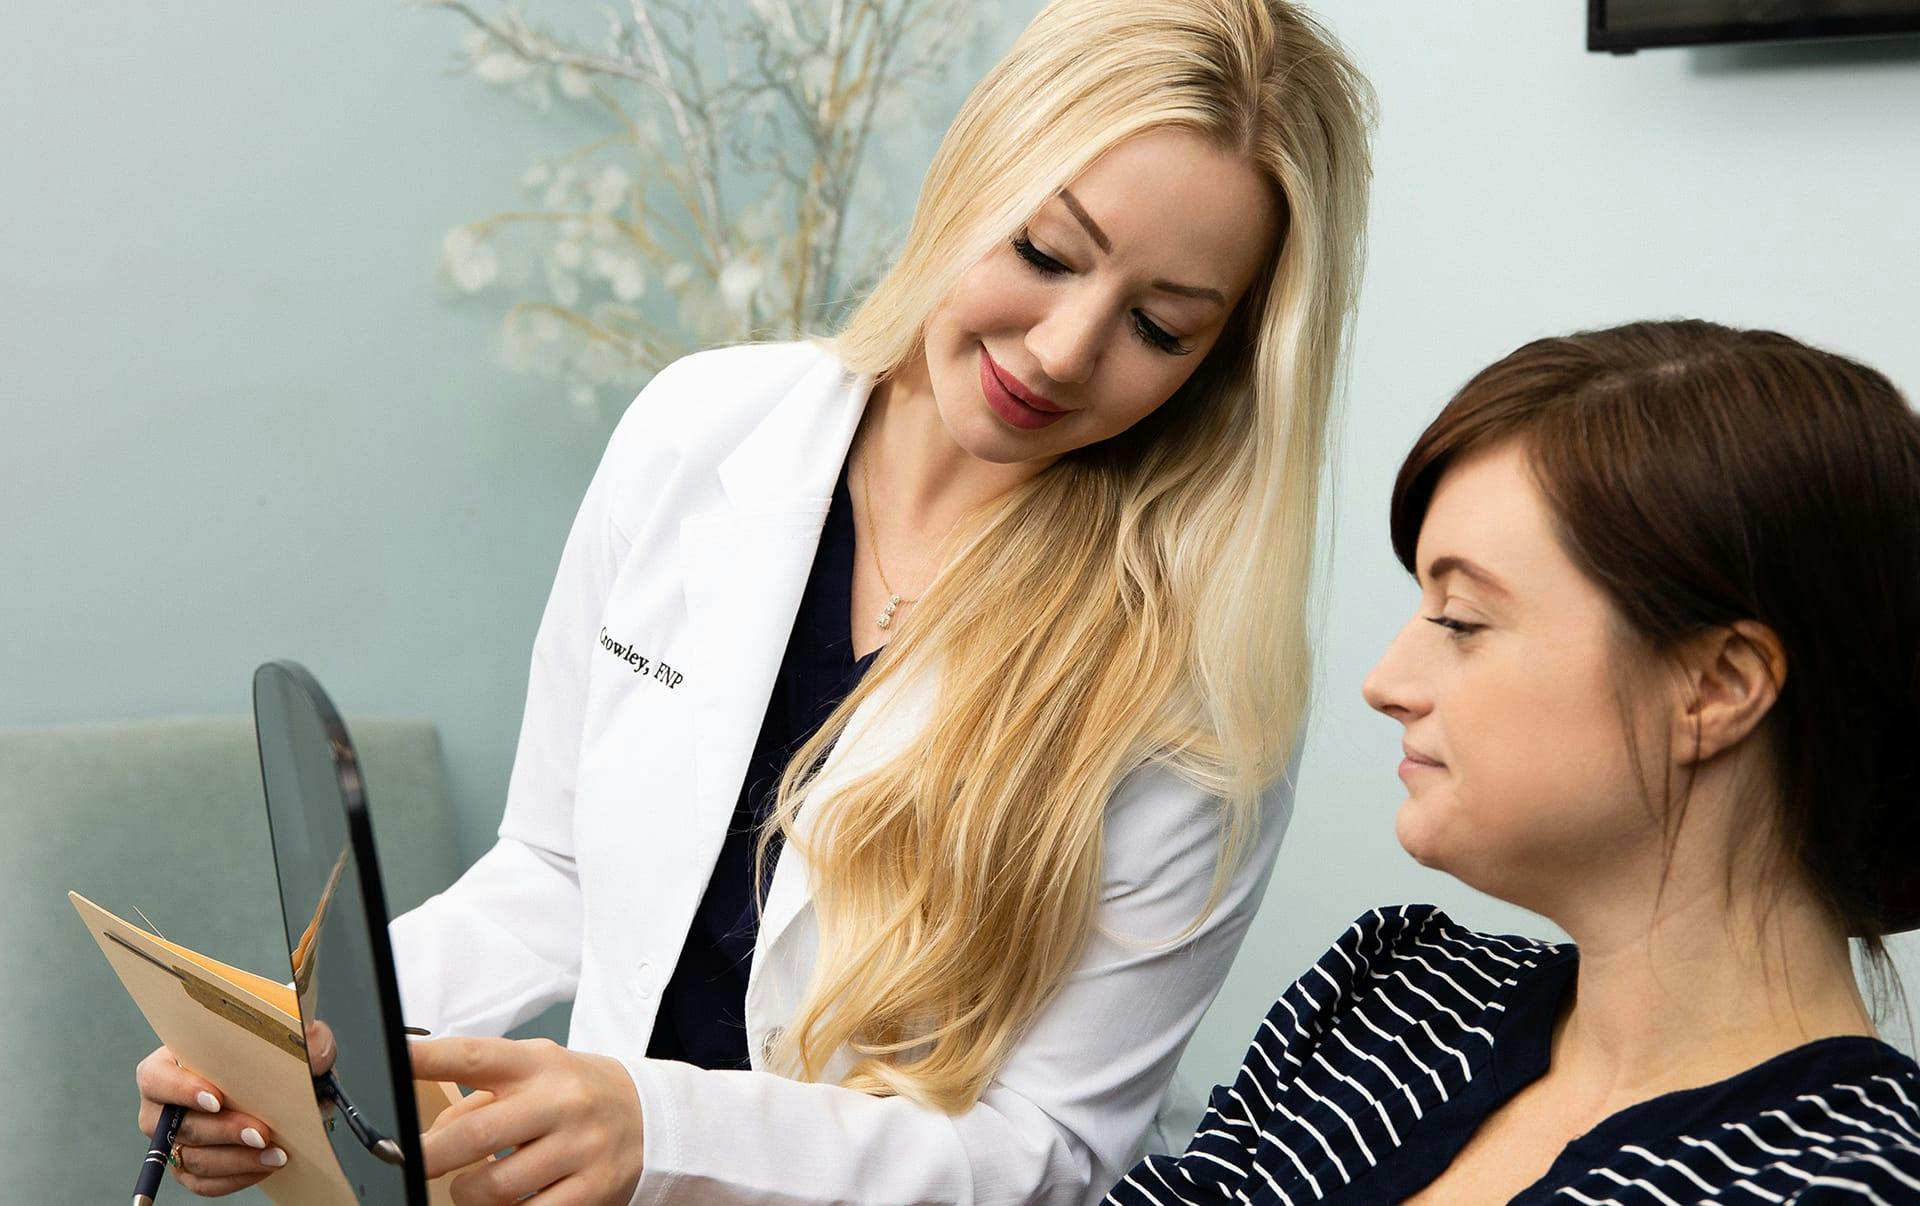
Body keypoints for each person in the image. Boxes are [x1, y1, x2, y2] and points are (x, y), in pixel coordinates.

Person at [134, 1, 1376, 1201]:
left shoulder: (1197, 691)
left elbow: (1048, 1153)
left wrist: (664, 1129)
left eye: (1159, 328)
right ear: (972, 178)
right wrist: (286, 1048)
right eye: (1044, 254)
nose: (1062, 350)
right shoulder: (700, 429)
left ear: (1225, 362)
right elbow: (561, 869)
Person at [1108, 320, 1920, 1205]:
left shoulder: (1851, 1186)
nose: (1386, 684)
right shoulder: (1395, 1003)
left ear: (1718, 687)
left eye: (1460, 620)